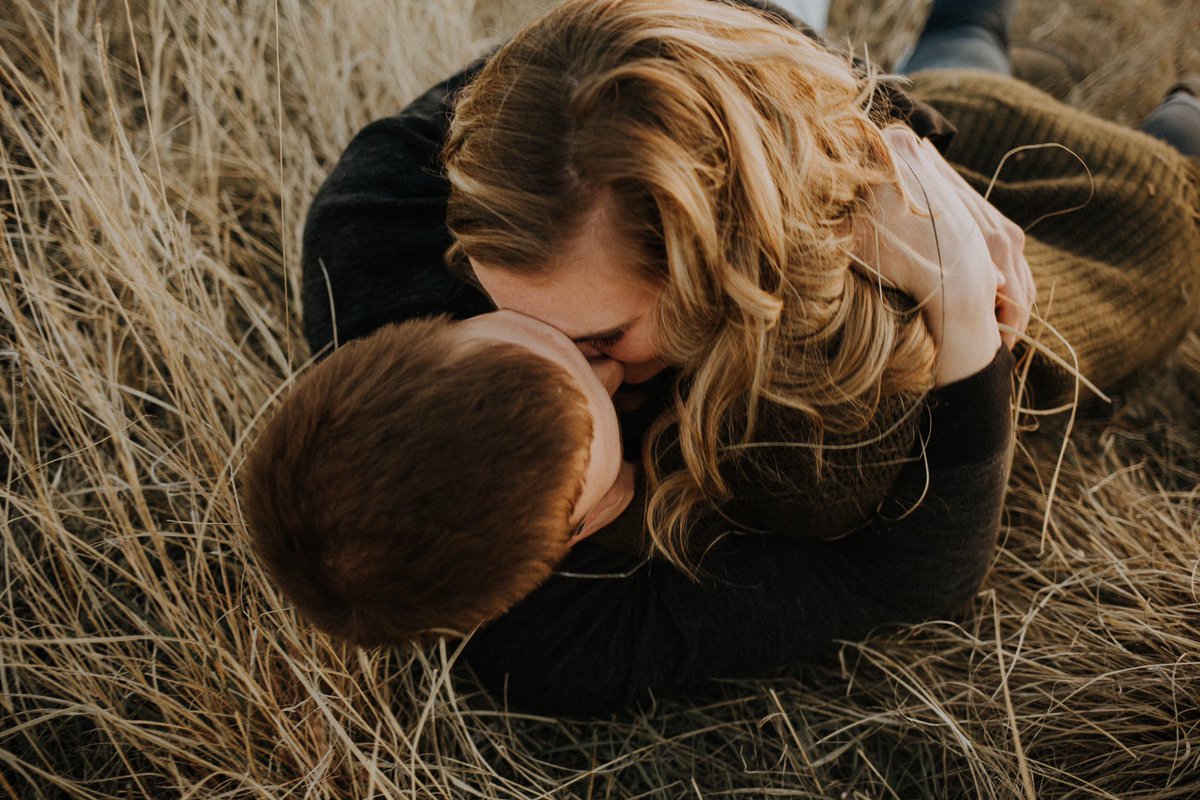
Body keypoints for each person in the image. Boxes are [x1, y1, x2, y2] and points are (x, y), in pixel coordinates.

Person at [291, 0, 1200, 715]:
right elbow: (912, 573)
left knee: (965, 75)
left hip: (822, 147)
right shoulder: (570, 624)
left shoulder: (375, 236)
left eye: (581, 337)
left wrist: (892, 143)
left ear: (429, 330)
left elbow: (606, 64)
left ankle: (969, 34)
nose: (601, 370)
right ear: (588, 521)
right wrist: (962, 312)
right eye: (597, 349)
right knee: (1164, 201)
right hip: (966, 304)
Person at [240, 312, 636, 645]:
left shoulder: (371, 266)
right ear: (574, 532)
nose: (608, 367)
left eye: (526, 324)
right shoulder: (579, 641)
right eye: (602, 398)